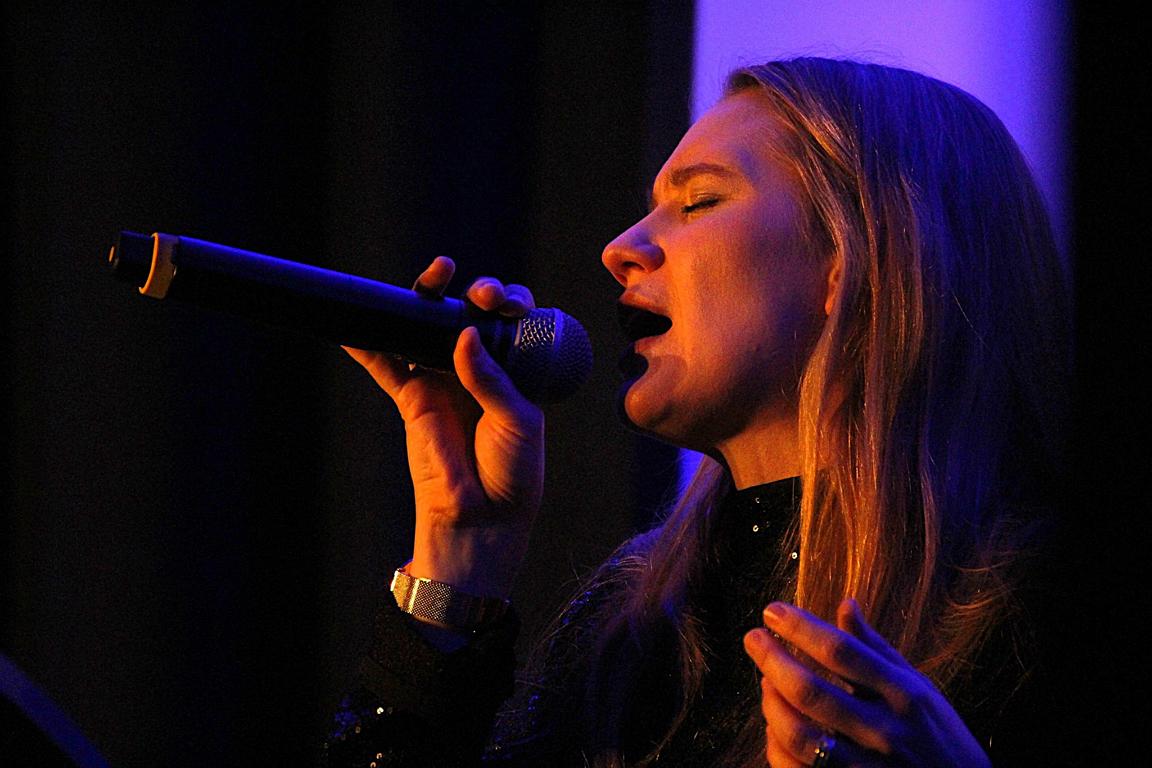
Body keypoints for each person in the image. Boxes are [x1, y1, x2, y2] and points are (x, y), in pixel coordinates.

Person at [321, 57, 1074, 767]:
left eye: (700, 202)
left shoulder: (1042, 606)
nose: (620, 249)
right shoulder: (632, 626)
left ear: (866, 259)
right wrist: (461, 551)